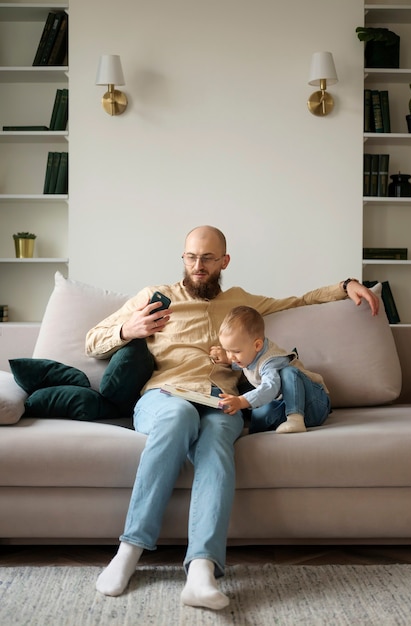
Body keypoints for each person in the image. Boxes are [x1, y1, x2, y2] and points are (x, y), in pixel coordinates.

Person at [86, 225, 379, 610]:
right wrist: (128, 328)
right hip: (165, 395)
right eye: (191, 257)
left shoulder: (241, 302)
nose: (198, 266)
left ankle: (202, 570)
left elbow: (297, 301)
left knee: (219, 439)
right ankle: (129, 549)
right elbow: (92, 340)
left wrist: (345, 286)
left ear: (224, 261)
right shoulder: (154, 298)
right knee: (177, 419)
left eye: (207, 258)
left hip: (220, 400)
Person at [211, 305, 330, 434]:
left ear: (257, 345)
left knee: (288, 372)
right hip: (284, 403)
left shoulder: (271, 361)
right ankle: (260, 426)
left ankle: (295, 418)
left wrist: (241, 401)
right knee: (261, 411)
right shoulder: (250, 354)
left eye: (236, 351)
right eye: (227, 350)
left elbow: (270, 387)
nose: (231, 356)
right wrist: (226, 359)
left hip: (314, 403)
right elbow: (246, 362)